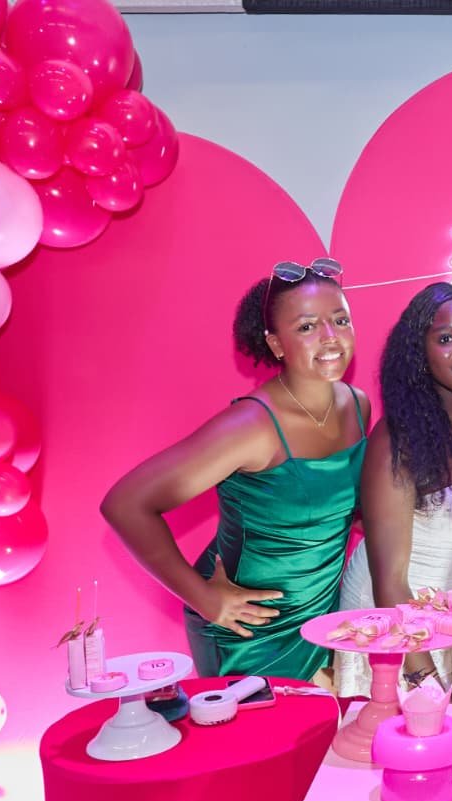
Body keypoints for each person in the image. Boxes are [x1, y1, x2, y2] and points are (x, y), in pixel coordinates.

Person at [101, 259, 368, 682]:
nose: (331, 337)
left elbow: (337, 506)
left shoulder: (357, 404)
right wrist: (205, 599)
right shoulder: (252, 427)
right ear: (276, 344)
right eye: (307, 326)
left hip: (322, 616)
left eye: (340, 320)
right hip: (251, 632)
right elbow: (126, 504)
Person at [335, 284, 452, 695]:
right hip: (399, 614)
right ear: (419, 353)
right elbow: (390, 580)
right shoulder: (398, 438)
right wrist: (423, 680)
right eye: (445, 339)